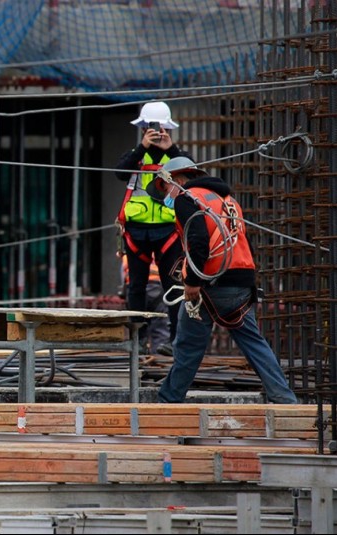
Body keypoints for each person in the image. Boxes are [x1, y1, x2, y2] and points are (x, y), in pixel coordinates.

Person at [147, 157, 297, 404]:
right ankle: (284, 398)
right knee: (254, 344)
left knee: (188, 346)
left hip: (209, 284)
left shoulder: (188, 198)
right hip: (241, 281)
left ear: (178, 179)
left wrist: (193, 282)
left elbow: (198, 241)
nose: (167, 194)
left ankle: (168, 401)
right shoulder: (228, 201)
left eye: (165, 187)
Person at [114, 101, 190, 357]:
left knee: (173, 287)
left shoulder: (176, 156)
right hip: (137, 231)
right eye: (151, 127)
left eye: (160, 128)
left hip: (168, 230)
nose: (156, 132)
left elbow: (194, 175)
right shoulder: (136, 155)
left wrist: (172, 149)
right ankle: (137, 339)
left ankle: (176, 340)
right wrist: (142, 146)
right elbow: (120, 172)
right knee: (136, 286)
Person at [119, 255, 170, 353]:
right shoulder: (161, 249)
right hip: (158, 287)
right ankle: (158, 358)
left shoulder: (129, 252)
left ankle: (138, 358)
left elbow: (123, 277)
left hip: (135, 291)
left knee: (137, 330)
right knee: (160, 331)